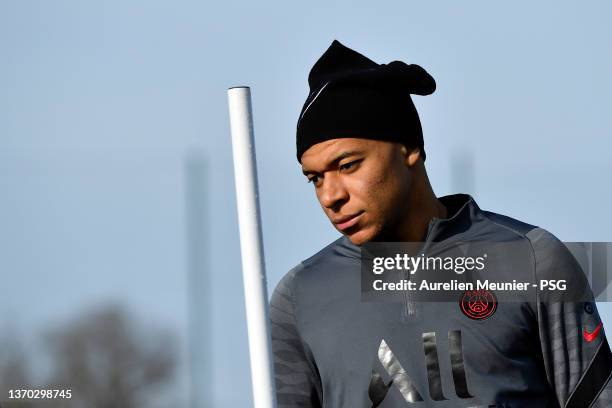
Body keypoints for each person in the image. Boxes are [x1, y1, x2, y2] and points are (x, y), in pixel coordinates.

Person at [269, 40, 611, 408]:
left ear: (409, 147)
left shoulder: (530, 260)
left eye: (348, 165)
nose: (329, 195)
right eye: (315, 178)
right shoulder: (301, 295)